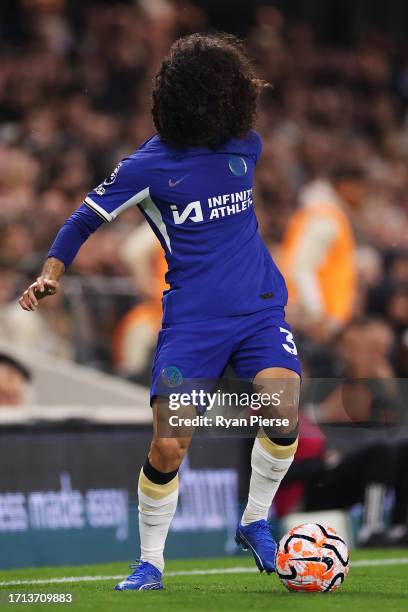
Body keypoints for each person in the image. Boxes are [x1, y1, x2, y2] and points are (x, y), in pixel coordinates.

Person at [19, 33, 301, 591]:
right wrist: (52, 270)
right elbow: (82, 219)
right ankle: (151, 563)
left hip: (260, 309)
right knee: (170, 444)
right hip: (192, 323)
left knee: (283, 411)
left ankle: (253, 520)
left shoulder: (247, 146)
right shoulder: (146, 166)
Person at [280, 165, 367, 342]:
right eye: (360, 187)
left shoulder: (323, 213)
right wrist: (316, 314)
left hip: (315, 318)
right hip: (313, 322)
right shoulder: (325, 217)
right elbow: (301, 267)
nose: (363, 195)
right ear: (346, 185)